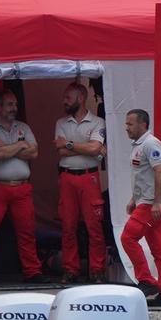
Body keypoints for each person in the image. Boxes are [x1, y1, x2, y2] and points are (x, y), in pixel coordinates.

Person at [122, 110, 161, 307]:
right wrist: (133, 199)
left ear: (143, 124)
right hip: (146, 201)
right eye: (126, 123)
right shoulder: (139, 145)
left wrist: (156, 202)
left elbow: (160, 171)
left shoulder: (151, 144)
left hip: (152, 204)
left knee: (127, 238)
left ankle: (146, 280)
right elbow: (143, 176)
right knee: (159, 249)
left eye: (130, 124)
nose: (126, 127)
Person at [0, 90, 46, 283]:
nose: (14, 108)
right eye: (9, 105)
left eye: (15, 104)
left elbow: (35, 153)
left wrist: (6, 147)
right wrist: (20, 145)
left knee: (27, 231)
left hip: (22, 188)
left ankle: (32, 272)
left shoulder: (23, 126)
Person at [54, 83, 108, 284]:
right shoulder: (61, 122)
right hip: (67, 177)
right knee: (68, 226)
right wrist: (87, 148)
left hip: (89, 178)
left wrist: (70, 144)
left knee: (94, 226)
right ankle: (70, 269)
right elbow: (61, 152)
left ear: (80, 98)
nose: (64, 101)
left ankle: (97, 270)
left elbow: (95, 148)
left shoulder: (97, 121)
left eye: (68, 97)